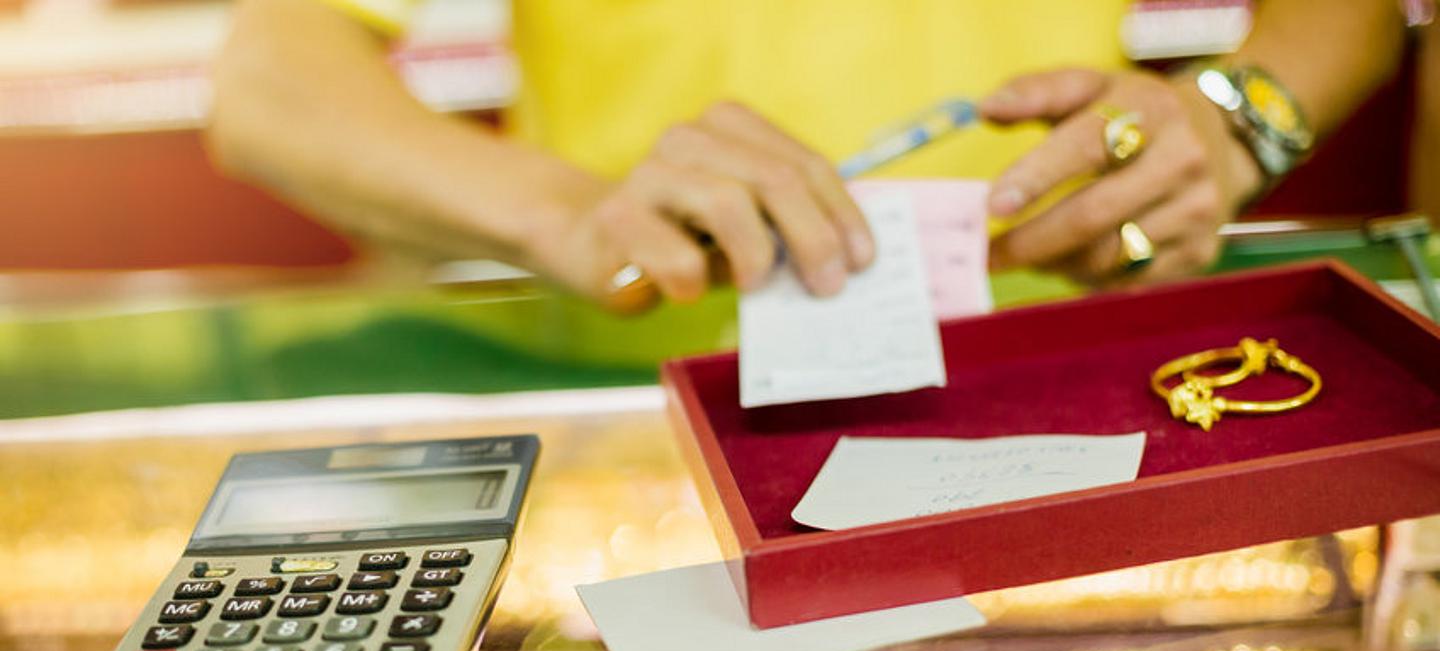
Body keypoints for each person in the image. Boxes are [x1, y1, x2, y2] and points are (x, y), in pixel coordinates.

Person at [209, 0, 1406, 311]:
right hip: (639, 370)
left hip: (1049, 331)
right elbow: (271, 78)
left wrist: (1234, 120)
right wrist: (572, 214)